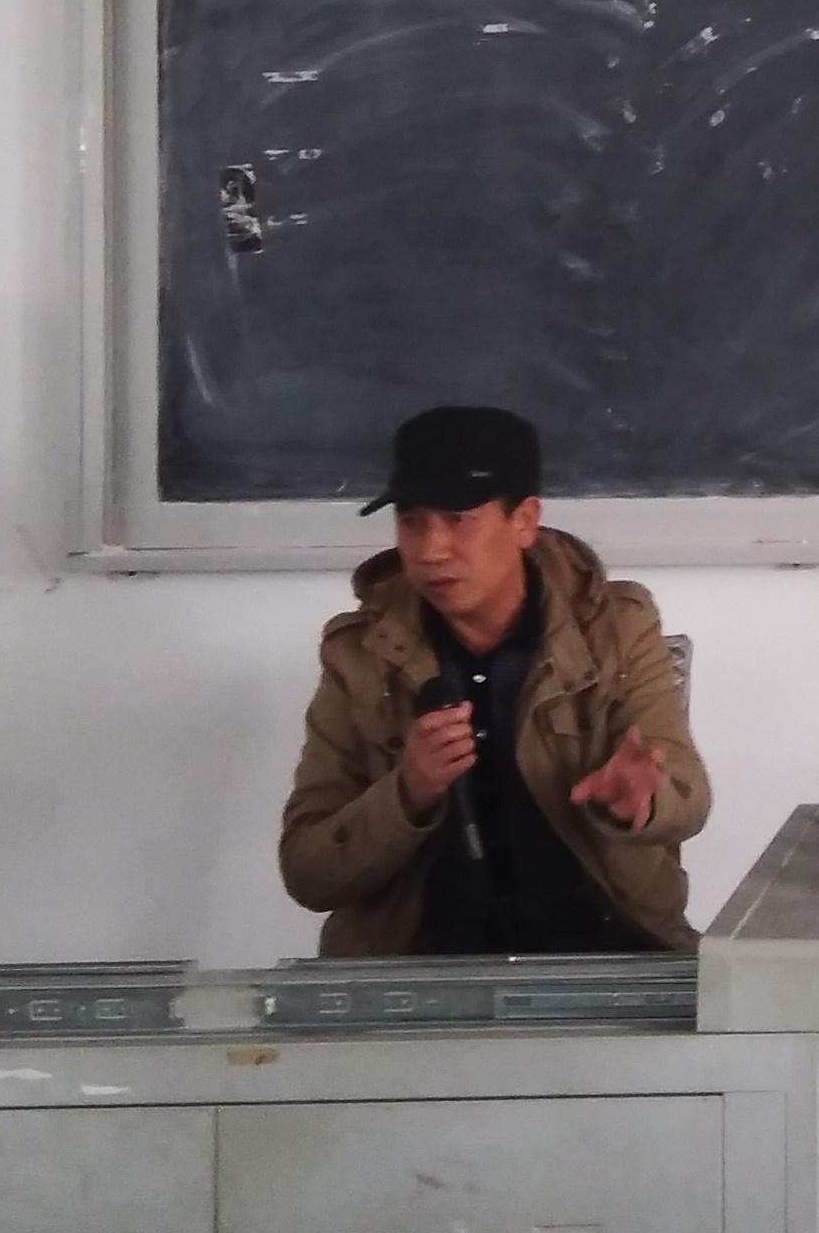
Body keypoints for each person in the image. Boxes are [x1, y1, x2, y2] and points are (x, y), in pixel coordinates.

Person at [278, 404, 711, 955]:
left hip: (602, 949)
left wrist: (639, 803)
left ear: (524, 521)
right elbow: (308, 874)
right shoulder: (359, 654)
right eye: (411, 522)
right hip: (419, 968)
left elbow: (688, 796)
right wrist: (407, 792)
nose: (430, 550)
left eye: (459, 519)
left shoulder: (617, 627)